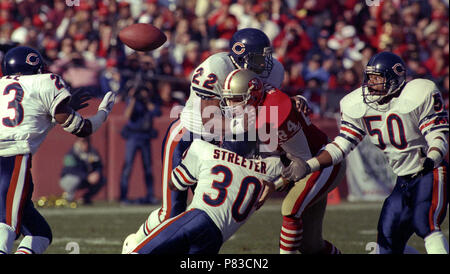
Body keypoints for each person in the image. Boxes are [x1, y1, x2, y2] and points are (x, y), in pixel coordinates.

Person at [281, 52, 449, 254]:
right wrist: (309, 165)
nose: (371, 83)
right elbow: (342, 145)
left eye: (377, 78)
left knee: (426, 223)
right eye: (369, 77)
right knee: (385, 247)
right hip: (403, 180)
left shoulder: (419, 93)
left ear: (395, 78)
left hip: (431, 172)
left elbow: (437, 135)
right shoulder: (358, 104)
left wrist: (432, 158)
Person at [142, 28, 287, 233]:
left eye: (266, 57)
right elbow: (211, 121)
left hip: (225, 142)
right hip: (189, 136)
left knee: (205, 214)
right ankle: (136, 245)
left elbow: (271, 108)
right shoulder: (217, 65)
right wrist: (247, 126)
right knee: (171, 212)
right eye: (258, 58)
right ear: (240, 54)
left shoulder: (275, 70)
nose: (265, 65)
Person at [0, 46, 116, 254]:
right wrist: (102, 113)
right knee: (6, 226)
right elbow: (82, 129)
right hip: (11, 158)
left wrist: (53, 114)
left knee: (39, 233)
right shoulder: (46, 82)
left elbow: (24, 116)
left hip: (8, 156)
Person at [218, 68, 345, 254]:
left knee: (290, 209)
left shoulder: (275, 112)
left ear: (252, 96)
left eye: (235, 99)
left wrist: (276, 184)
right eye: (228, 99)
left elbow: (302, 163)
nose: (230, 105)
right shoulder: (256, 108)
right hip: (303, 165)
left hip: (321, 162)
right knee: (310, 245)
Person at [122, 139, 281, 254]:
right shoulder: (267, 169)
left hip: (196, 219)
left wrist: (192, 166)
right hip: (216, 239)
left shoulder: (206, 150)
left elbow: (175, 184)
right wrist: (277, 184)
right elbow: (296, 167)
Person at [119, 84, 161, 204]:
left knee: (148, 168)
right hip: (133, 137)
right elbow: (127, 115)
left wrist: (147, 100)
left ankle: (150, 195)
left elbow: (157, 112)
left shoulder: (150, 102)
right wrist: (133, 98)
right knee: (127, 167)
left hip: (145, 137)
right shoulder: (133, 102)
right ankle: (123, 196)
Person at [59, 137, 105, 205]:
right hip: (68, 179)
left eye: (87, 141)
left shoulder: (93, 152)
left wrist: (97, 173)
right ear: (78, 142)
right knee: (75, 179)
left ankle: (85, 199)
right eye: (83, 141)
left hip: (85, 179)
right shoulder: (72, 153)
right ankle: (69, 198)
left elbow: (99, 165)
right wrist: (87, 176)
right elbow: (70, 170)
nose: (86, 144)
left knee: (102, 180)